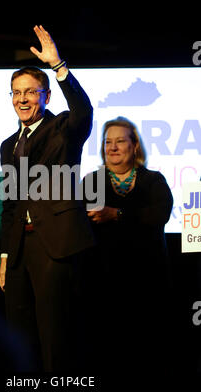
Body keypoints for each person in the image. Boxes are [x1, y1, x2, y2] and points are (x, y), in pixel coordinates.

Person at [0, 25, 95, 372]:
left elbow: (84, 111)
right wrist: (6, 256)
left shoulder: (63, 129)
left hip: (56, 245)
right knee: (19, 337)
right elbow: (10, 203)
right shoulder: (8, 145)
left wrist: (59, 67)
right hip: (20, 249)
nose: (22, 99)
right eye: (16, 93)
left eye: (30, 92)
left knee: (56, 336)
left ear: (46, 97)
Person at [82, 117, 174, 377]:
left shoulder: (153, 181)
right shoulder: (91, 182)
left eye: (120, 141)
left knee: (147, 359)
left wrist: (117, 214)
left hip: (148, 284)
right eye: (107, 142)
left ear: (135, 146)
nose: (112, 147)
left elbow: (160, 215)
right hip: (103, 285)